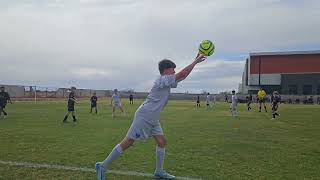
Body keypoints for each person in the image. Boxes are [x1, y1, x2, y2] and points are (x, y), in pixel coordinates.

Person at [95, 54, 206, 180]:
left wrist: (194, 63)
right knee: (128, 142)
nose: (174, 71)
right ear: (166, 70)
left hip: (153, 118)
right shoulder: (162, 80)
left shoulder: (167, 81)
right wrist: (195, 61)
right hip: (145, 116)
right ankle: (102, 166)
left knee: (162, 142)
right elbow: (181, 74)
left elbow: (183, 76)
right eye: (172, 69)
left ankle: (159, 171)